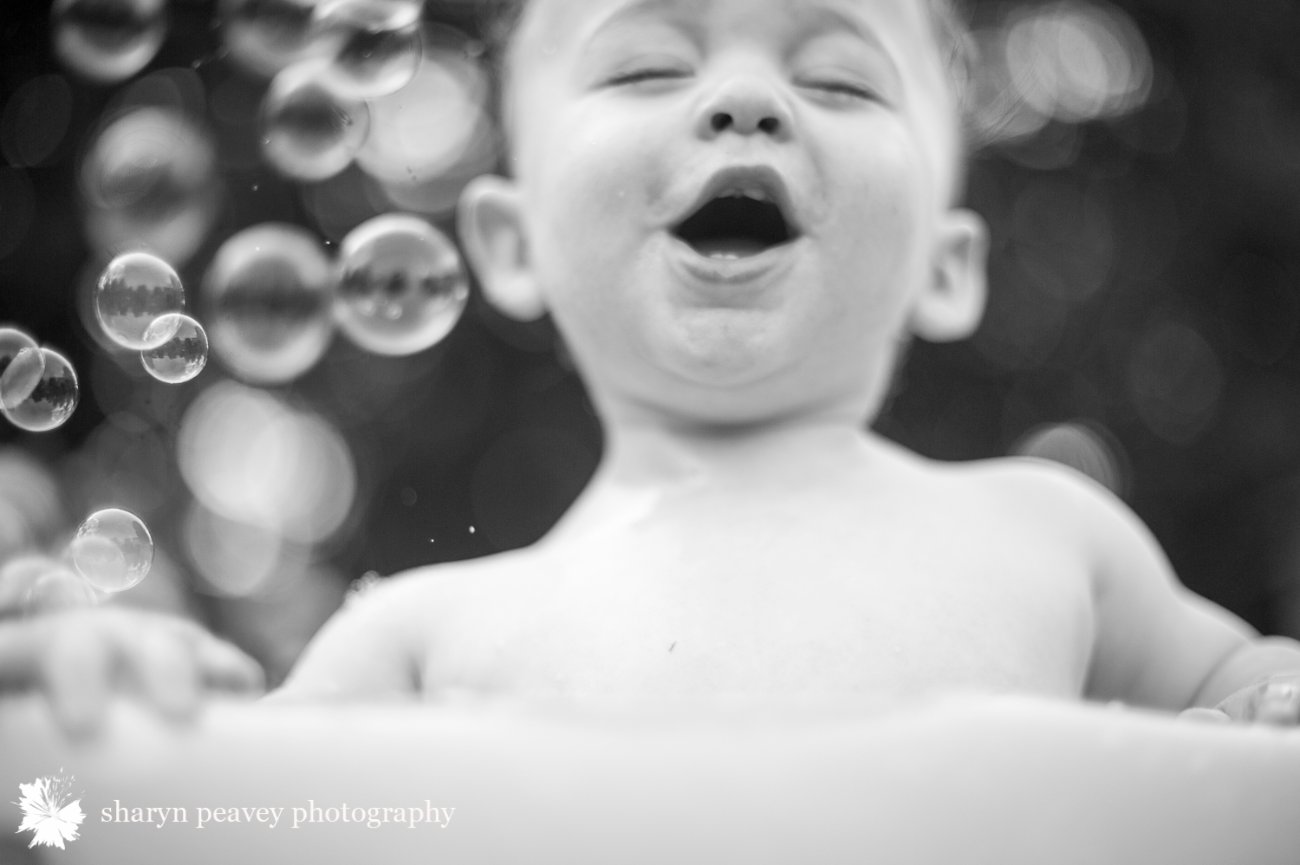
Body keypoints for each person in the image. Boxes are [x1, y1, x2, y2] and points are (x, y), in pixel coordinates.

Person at [3, 0, 1299, 732]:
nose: (743, 102)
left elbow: (1249, 700)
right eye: (645, 64)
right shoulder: (425, 633)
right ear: (509, 246)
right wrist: (120, 709)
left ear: (948, 266)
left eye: (840, 83)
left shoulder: (1054, 534)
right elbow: (262, 810)